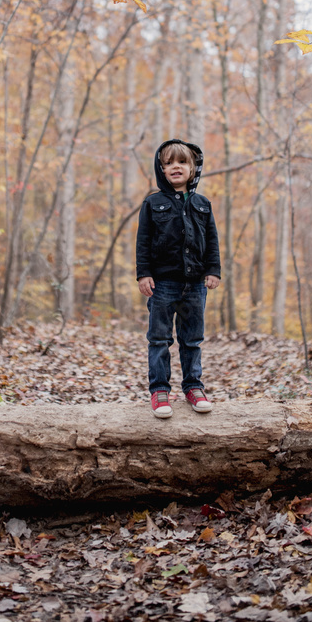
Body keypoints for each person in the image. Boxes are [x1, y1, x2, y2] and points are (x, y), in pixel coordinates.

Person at [136, 139, 221, 418]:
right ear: (161, 168)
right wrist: (143, 274)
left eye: (182, 162)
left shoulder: (202, 204)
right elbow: (143, 241)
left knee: (192, 339)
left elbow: (212, 240)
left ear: (193, 168)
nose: (176, 167)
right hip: (162, 285)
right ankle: (159, 390)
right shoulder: (152, 203)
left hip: (195, 284)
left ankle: (193, 387)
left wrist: (213, 270)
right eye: (169, 162)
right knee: (159, 339)